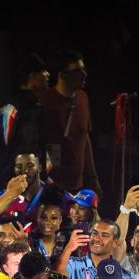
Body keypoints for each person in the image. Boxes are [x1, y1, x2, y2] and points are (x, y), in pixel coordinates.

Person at [40, 49, 99, 194]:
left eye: (83, 70)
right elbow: (47, 141)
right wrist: (54, 176)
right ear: (63, 74)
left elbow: (85, 137)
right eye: (77, 71)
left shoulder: (83, 98)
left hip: (78, 184)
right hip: (54, 183)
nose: (83, 75)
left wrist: (93, 177)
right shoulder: (47, 101)